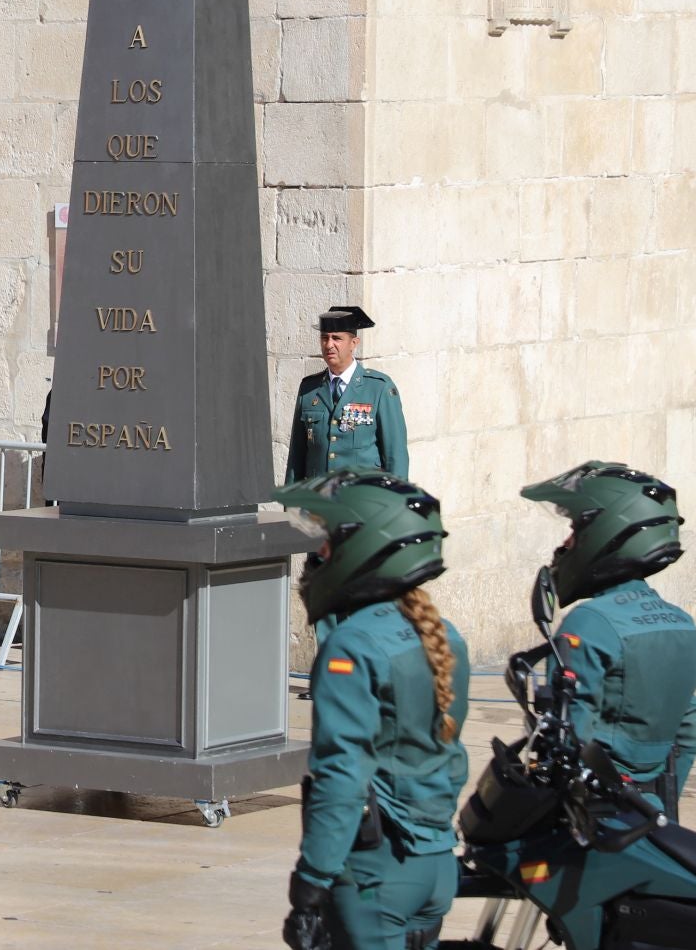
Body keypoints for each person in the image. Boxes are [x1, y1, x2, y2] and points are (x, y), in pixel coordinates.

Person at [278, 469, 469, 950]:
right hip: (436, 864)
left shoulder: (352, 646)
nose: (317, 557)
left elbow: (342, 773)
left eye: (327, 542)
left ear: (364, 548)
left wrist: (311, 880)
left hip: (375, 876)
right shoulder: (446, 636)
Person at [521, 460, 696, 818]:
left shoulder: (591, 623)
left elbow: (568, 739)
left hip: (597, 818)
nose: (566, 543)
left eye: (574, 529)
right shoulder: (682, 623)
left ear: (607, 532)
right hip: (650, 812)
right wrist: (658, 801)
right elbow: (690, 728)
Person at [284, 305, 408, 483]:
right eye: (324, 338)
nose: (329, 345)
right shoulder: (309, 389)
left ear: (354, 343)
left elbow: (395, 456)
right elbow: (297, 456)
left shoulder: (379, 388)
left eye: (337, 338)